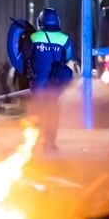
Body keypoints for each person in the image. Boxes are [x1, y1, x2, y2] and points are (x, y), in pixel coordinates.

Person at [20, 8, 74, 152]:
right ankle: (50, 143)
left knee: (37, 112)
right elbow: (68, 57)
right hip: (56, 84)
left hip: (37, 83)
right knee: (52, 112)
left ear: (40, 21)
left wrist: (26, 36)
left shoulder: (34, 37)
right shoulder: (65, 38)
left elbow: (24, 55)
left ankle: (36, 142)